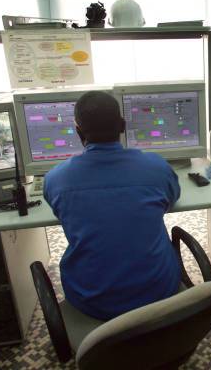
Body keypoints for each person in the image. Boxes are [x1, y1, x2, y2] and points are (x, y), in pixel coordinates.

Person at [44, 90, 181, 320]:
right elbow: (171, 197)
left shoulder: (56, 179)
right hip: (159, 293)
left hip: (91, 301)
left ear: (78, 132)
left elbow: (62, 212)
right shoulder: (157, 167)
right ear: (123, 125)